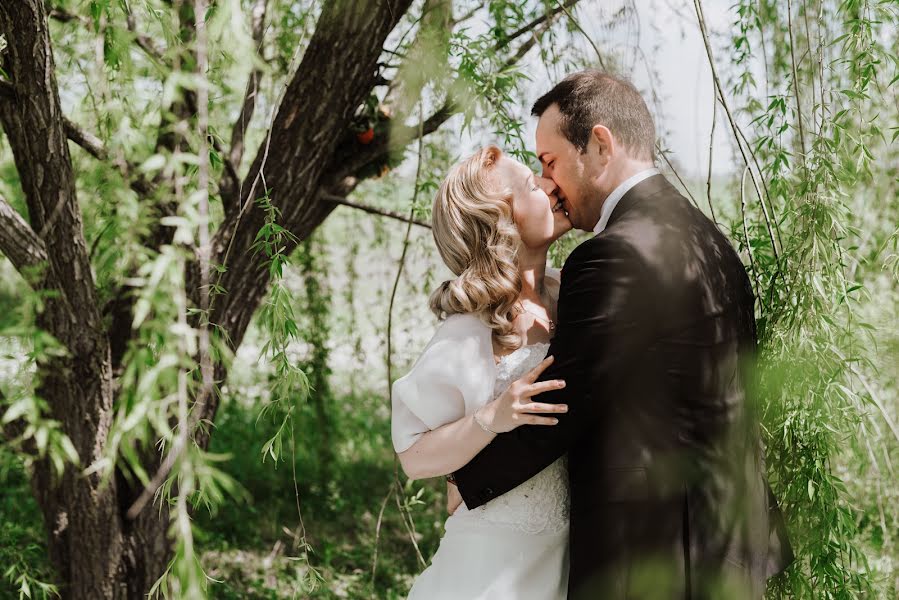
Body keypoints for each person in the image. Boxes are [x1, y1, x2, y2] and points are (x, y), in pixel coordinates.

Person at [451, 69, 793, 600]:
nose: (549, 183)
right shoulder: (711, 242)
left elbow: (563, 403)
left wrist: (465, 481)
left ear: (600, 145)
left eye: (551, 161)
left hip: (655, 556)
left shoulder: (612, 255)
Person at [391, 144, 574, 599]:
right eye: (533, 184)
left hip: (565, 553)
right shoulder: (472, 328)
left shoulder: (570, 295)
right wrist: (492, 418)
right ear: (502, 223)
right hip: (491, 564)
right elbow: (413, 457)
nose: (551, 184)